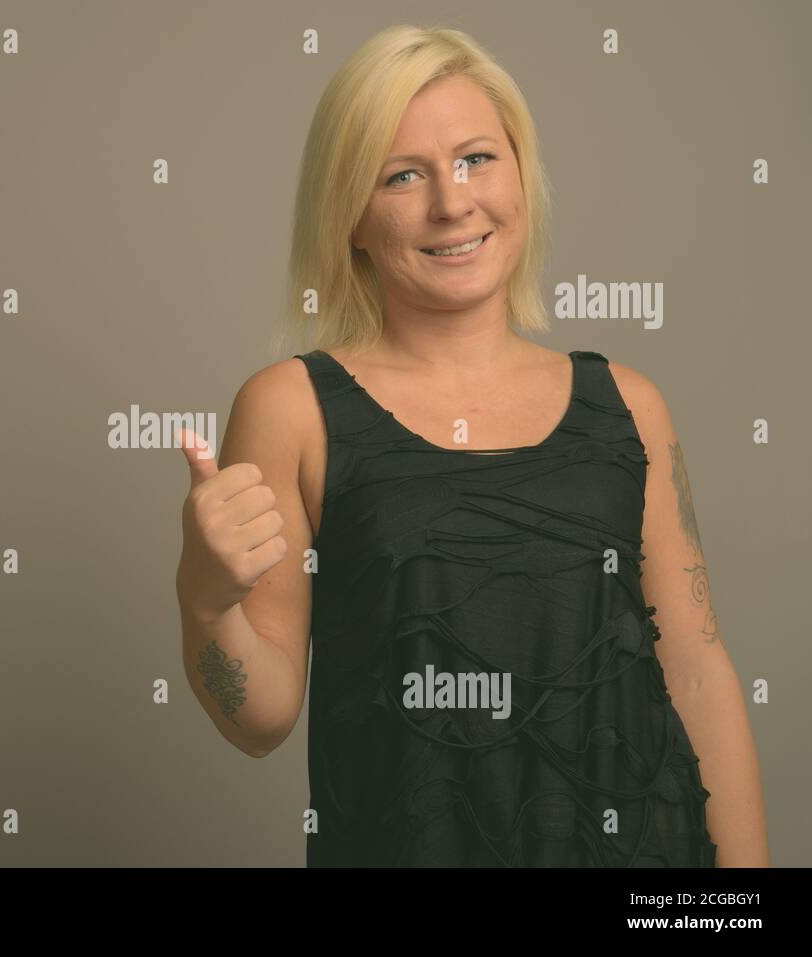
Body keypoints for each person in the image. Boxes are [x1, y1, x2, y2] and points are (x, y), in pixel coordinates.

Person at [174, 24, 769, 866]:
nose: (452, 202)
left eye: (478, 159)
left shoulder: (631, 405)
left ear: (521, 175)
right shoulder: (291, 409)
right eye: (403, 176)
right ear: (349, 214)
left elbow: (700, 673)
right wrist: (204, 598)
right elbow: (261, 718)